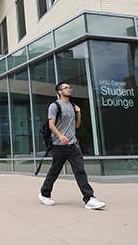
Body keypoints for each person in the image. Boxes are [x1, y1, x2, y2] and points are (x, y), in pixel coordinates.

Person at [38, 82, 106, 210]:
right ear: (59, 91)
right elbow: (51, 125)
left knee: (80, 171)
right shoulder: (54, 106)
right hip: (59, 145)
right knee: (55, 171)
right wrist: (60, 136)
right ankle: (44, 193)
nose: (69, 90)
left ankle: (89, 198)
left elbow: (76, 126)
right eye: (66, 88)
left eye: (70, 88)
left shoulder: (73, 106)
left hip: (73, 144)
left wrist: (79, 114)